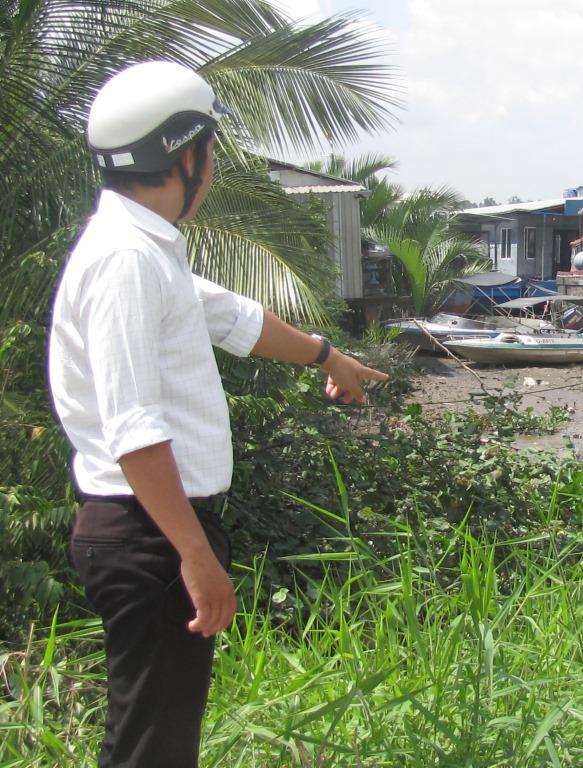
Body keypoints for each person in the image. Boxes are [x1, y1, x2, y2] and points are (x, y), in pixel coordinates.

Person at [47, 61, 388, 768]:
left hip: (153, 528)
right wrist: (194, 555)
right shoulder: (126, 262)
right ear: (185, 154)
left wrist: (328, 356)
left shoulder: (144, 249)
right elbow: (133, 427)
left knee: (155, 739)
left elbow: (234, 318)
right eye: (208, 150)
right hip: (151, 533)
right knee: (151, 749)